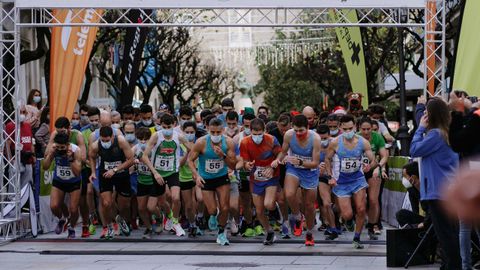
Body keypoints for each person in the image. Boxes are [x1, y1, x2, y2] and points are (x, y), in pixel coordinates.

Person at [410, 97, 461, 270]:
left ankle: (452, 266)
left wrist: (419, 130)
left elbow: (415, 150)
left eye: (426, 113)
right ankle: (450, 265)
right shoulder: (448, 132)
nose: (423, 117)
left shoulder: (435, 135)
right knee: (451, 233)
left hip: (438, 192)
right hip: (450, 189)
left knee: (445, 235)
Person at [324, 114, 377, 249]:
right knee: (347, 214)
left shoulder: (362, 142)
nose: (348, 132)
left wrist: (369, 166)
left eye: (350, 128)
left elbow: (372, 159)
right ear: (341, 128)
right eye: (345, 129)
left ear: (355, 127)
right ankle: (346, 220)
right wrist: (330, 176)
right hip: (342, 182)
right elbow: (327, 159)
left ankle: (357, 238)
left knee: (361, 208)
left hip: (358, 179)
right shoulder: (335, 142)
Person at [271, 114, 321, 246]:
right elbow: (283, 151)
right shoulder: (288, 135)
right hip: (294, 169)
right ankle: (297, 216)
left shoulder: (315, 139)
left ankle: (309, 233)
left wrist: (300, 161)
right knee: (289, 194)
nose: (298, 133)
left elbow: (316, 163)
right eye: (296, 130)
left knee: (309, 206)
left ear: (308, 128)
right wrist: (278, 160)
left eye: (301, 131)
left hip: (310, 171)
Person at [141, 113, 192, 237]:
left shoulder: (179, 137)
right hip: (158, 173)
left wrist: (185, 156)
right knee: (153, 206)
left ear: (174, 125)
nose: (166, 130)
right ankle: (165, 216)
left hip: (173, 171)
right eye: (164, 127)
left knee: (175, 198)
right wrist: (155, 173)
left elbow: (192, 149)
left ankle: (175, 222)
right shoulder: (156, 137)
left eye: (169, 127)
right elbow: (144, 156)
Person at [188, 118, 237, 246]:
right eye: (213, 132)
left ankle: (221, 233)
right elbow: (190, 160)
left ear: (223, 130)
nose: (215, 135)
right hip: (206, 179)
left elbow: (233, 165)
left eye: (218, 132)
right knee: (212, 210)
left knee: (225, 207)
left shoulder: (229, 142)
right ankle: (213, 215)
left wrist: (223, 155)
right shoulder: (201, 142)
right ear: (208, 130)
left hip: (222, 177)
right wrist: (196, 175)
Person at [240, 118, 282, 245]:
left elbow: (280, 154)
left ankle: (274, 208)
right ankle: (269, 232)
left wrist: (275, 162)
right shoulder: (245, 142)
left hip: (271, 175)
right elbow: (245, 162)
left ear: (264, 131)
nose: (257, 137)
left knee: (268, 204)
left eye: (260, 134)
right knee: (259, 210)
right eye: (254, 134)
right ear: (250, 132)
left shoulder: (271, 140)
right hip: (256, 178)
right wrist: (247, 165)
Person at [89, 126, 134, 240]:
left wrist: (115, 170)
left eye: (107, 140)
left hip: (121, 173)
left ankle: (121, 219)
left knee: (125, 204)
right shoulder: (95, 145)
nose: (105, 143)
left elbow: (131, 159)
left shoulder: (121, 141)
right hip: (105, 174)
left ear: (112, 137)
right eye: (103, 140)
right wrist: (93, 172)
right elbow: (92, 157)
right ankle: (109, 226)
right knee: (106, 203)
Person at [43, 132, 82, 238]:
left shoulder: (76, 150)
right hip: (59, 180)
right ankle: (62, 219)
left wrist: (71, 159)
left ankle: (71, 227)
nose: (60, 149)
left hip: (74, 181)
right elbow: (45, 167)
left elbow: (78, 172)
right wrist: (51, 154)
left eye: (62, 147)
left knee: (74, 209)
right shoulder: (54, 149)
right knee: (54, 206)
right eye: (58, 147)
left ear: (68, 144)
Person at [357, 118, 389, 238]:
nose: (366, 132)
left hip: (374, 170)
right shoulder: (356, 137)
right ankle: (360, 221)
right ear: (359, 128)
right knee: (361, 201)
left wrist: (379, 167)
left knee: (373, 199)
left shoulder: (377, 137)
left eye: (368, 129)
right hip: (359, 172)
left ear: (372, 128)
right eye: (363, 129)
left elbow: (384, 156)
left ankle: (373, 225)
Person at [268, 112, 292, 238]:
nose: (284, 132)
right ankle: (285, 222)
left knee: (291, 197)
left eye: (286, 130)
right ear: (277, 125)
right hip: (277, 168)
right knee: (281, 199)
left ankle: (293, 217)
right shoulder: (272, 134)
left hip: (291, 168)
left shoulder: (294, 133)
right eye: (282, 130)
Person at [233, 113, 256, 237]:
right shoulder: (237, 138)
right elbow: (234, 157)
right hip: (242, 173)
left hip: (257, 173)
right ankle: (249, 224)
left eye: (250, 125)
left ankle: (258, 223)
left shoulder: (261, 138)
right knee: (246, 201)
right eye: (246, 125)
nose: (248, 128)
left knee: (257, 200)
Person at [179, 121, 203, 237]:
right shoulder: (180, 145)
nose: (189, 134)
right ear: (183, 132)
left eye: (191, 132)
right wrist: (187, 153)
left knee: (200, 198)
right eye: (187, 132)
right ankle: (193, 224)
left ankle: (200, 216)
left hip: (198, 175)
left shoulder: (199, 143)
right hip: (184, 177)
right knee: (188, 205)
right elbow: (180, 164)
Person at [5, 105, 35, 191]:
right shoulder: (10, 125)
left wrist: (34, 156)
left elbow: (31, 142)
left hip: (28, 159)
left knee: (27, 187)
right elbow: (8, 144)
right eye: (20, 112)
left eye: (24, 112)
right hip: (16, 160)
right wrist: (10, 161)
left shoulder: (28, 125)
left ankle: (26, 203)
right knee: (14, 188)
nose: (22, 114)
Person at [316, 124, 338, 240]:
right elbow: (310, 163)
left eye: (325, 138)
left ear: (329, 136)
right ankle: (332, 228)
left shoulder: (336, 143)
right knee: (326, 204)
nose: (323, 141)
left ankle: (338, 222)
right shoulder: (314, 145)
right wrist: (317, 168)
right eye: (320, 139)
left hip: (337, 177)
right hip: (322, 178)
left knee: (338, 206)